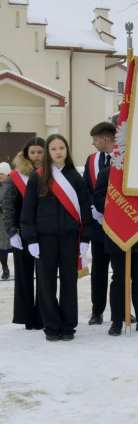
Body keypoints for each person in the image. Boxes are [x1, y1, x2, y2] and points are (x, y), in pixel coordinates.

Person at [20, 134, 93, 341]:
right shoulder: (38, 177)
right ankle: (51, 327)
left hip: (71, 238)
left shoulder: (75, 177)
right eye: (53, 148)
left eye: (62, 148)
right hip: (45, 239)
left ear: (67, 150)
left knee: (69, 283)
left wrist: (85, 239)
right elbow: (28, 213)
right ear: (47, 152)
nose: (58, 152)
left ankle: (68, 326)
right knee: (46, 284)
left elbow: (85, 211)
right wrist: (31, 239)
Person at [95, 167, 138, 335]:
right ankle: (117, 321)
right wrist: (121, 203)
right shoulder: (107, 173)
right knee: (119, 280)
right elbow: (98, 201)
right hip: (117, 233)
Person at [4, 137, 45, 329]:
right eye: (33, 152)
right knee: (24, 276)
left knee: (45, 276)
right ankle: (27, 317)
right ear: (26, 154)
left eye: (40, 152)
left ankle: (45, 314)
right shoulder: (15, 177)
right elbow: (8, 207)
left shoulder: (50, 174)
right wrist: (12, 232)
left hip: (46, 233)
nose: (36, 156)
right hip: (22, 234)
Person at [83, 121, 116, 326]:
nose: (93, 144)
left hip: (121, 224)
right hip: (98, 226)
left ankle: (122, 310)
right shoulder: (92, 160)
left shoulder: (124, 158)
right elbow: (86, 187)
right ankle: (97, 311)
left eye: (95, 140)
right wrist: (95, 210)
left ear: (105, 139)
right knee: (99, 272)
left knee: (122, 272)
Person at [0, 162, 12, 280]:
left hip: (9, 220)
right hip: (0, 222)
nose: (0, 175)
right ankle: (5, 267)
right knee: (1, 246)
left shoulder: (11, 185)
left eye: (2, 173)